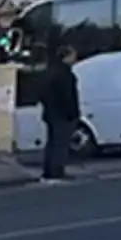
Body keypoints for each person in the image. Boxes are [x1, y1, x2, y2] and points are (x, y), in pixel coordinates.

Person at [38, 45, 80, 183]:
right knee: (61, 144)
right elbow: (68, 96)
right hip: (62, 114)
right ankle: (57, 171)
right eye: (73, 55)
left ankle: (48, 171)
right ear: (66, 57)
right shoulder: (65, 74)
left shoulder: (49, 72)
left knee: (52, 143)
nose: (75, 58)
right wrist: (74, 114)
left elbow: (42, 94)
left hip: (50, 113)